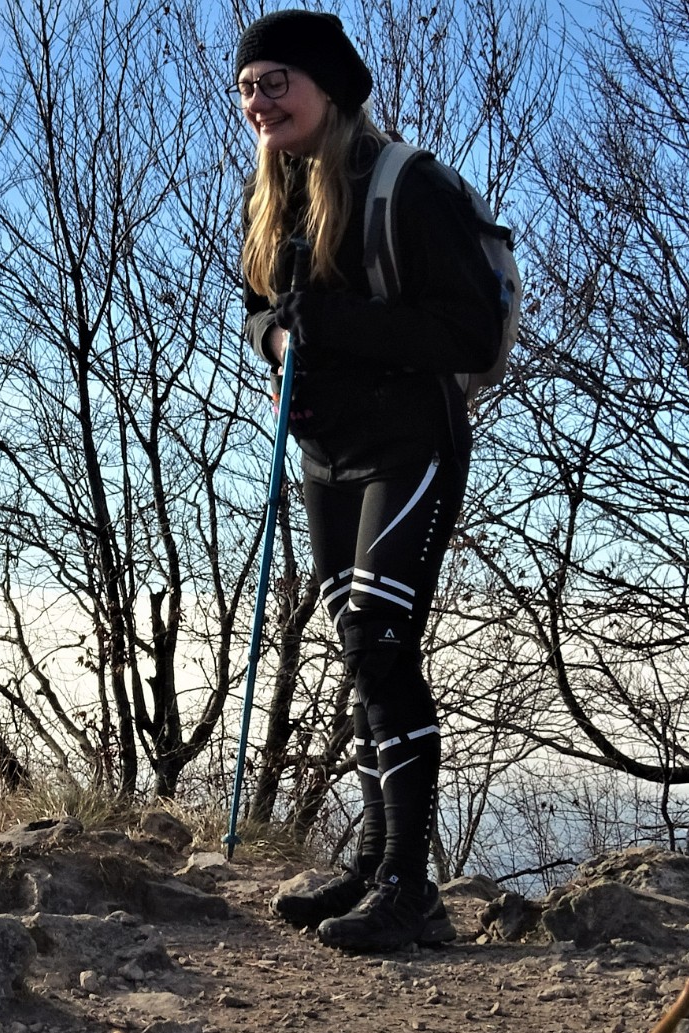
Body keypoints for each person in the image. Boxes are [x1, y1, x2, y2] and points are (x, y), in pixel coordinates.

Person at [233, 9, 502, 952]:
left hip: (410, 444)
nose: (259, 100)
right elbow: (261, 312)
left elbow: (470, 333)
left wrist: (334, 325)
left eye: (277, 81)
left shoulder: (409, 187)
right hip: (324, 450)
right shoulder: (277, 192)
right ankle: (378, 861)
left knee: (377, 637)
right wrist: (278, 332)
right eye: (249, 85)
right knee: (361, 650)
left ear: (330, 88)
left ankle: (410, 890)